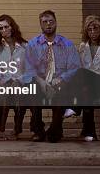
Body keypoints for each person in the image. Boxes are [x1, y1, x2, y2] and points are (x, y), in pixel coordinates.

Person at [21, 10, 81, 142]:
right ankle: (38, 130)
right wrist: (42, 82)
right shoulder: (32, 44)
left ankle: (55, 130)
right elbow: (29, 69)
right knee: (31, 88)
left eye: (51, 22)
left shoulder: (67, 44)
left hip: (60, 83)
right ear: (41, 25)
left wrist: (60, 79)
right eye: (44, 22)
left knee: (62, 91)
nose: (48, 25)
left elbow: (74, 67)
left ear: (56, 23)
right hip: (40, 83)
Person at [0, 15, 27, 140]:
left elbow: (28, 69)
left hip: (19, 81)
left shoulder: (23, 46)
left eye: (6, 26)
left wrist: (19, 80)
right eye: (0, 28)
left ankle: (17, 129)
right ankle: (1, 130)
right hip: (3, 81)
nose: (3, 30)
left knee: (21, 93)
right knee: (3, 94)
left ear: (12, 27)